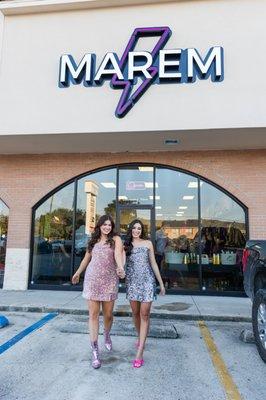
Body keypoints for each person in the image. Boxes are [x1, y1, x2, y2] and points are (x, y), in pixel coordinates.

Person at [72, 215, 125, 369]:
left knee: (108, 314)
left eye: (109, 225)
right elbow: (85, 260)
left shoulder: (116, 239)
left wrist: (120, 268)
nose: (107, 227)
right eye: (104, 224)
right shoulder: (93, 241)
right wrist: (77, 273)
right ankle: (95, 350)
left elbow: (118, 256)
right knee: (93, 315)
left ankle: (106, 334)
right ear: (99, 226)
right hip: (92, 280)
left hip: (109, 280)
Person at [124, 219, 165, 368]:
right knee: (135, 313)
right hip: (132, 283)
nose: (136, 230)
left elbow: (153, 263)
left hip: (147, 281)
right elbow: (119, 261)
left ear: (142, 230)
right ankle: (139, 336)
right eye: (134, 228)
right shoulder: (126, 245)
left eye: (139, 228)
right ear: (131, 229)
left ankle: (140, 350)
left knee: (144, 314)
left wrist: (160, 283)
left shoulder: (148, 243)